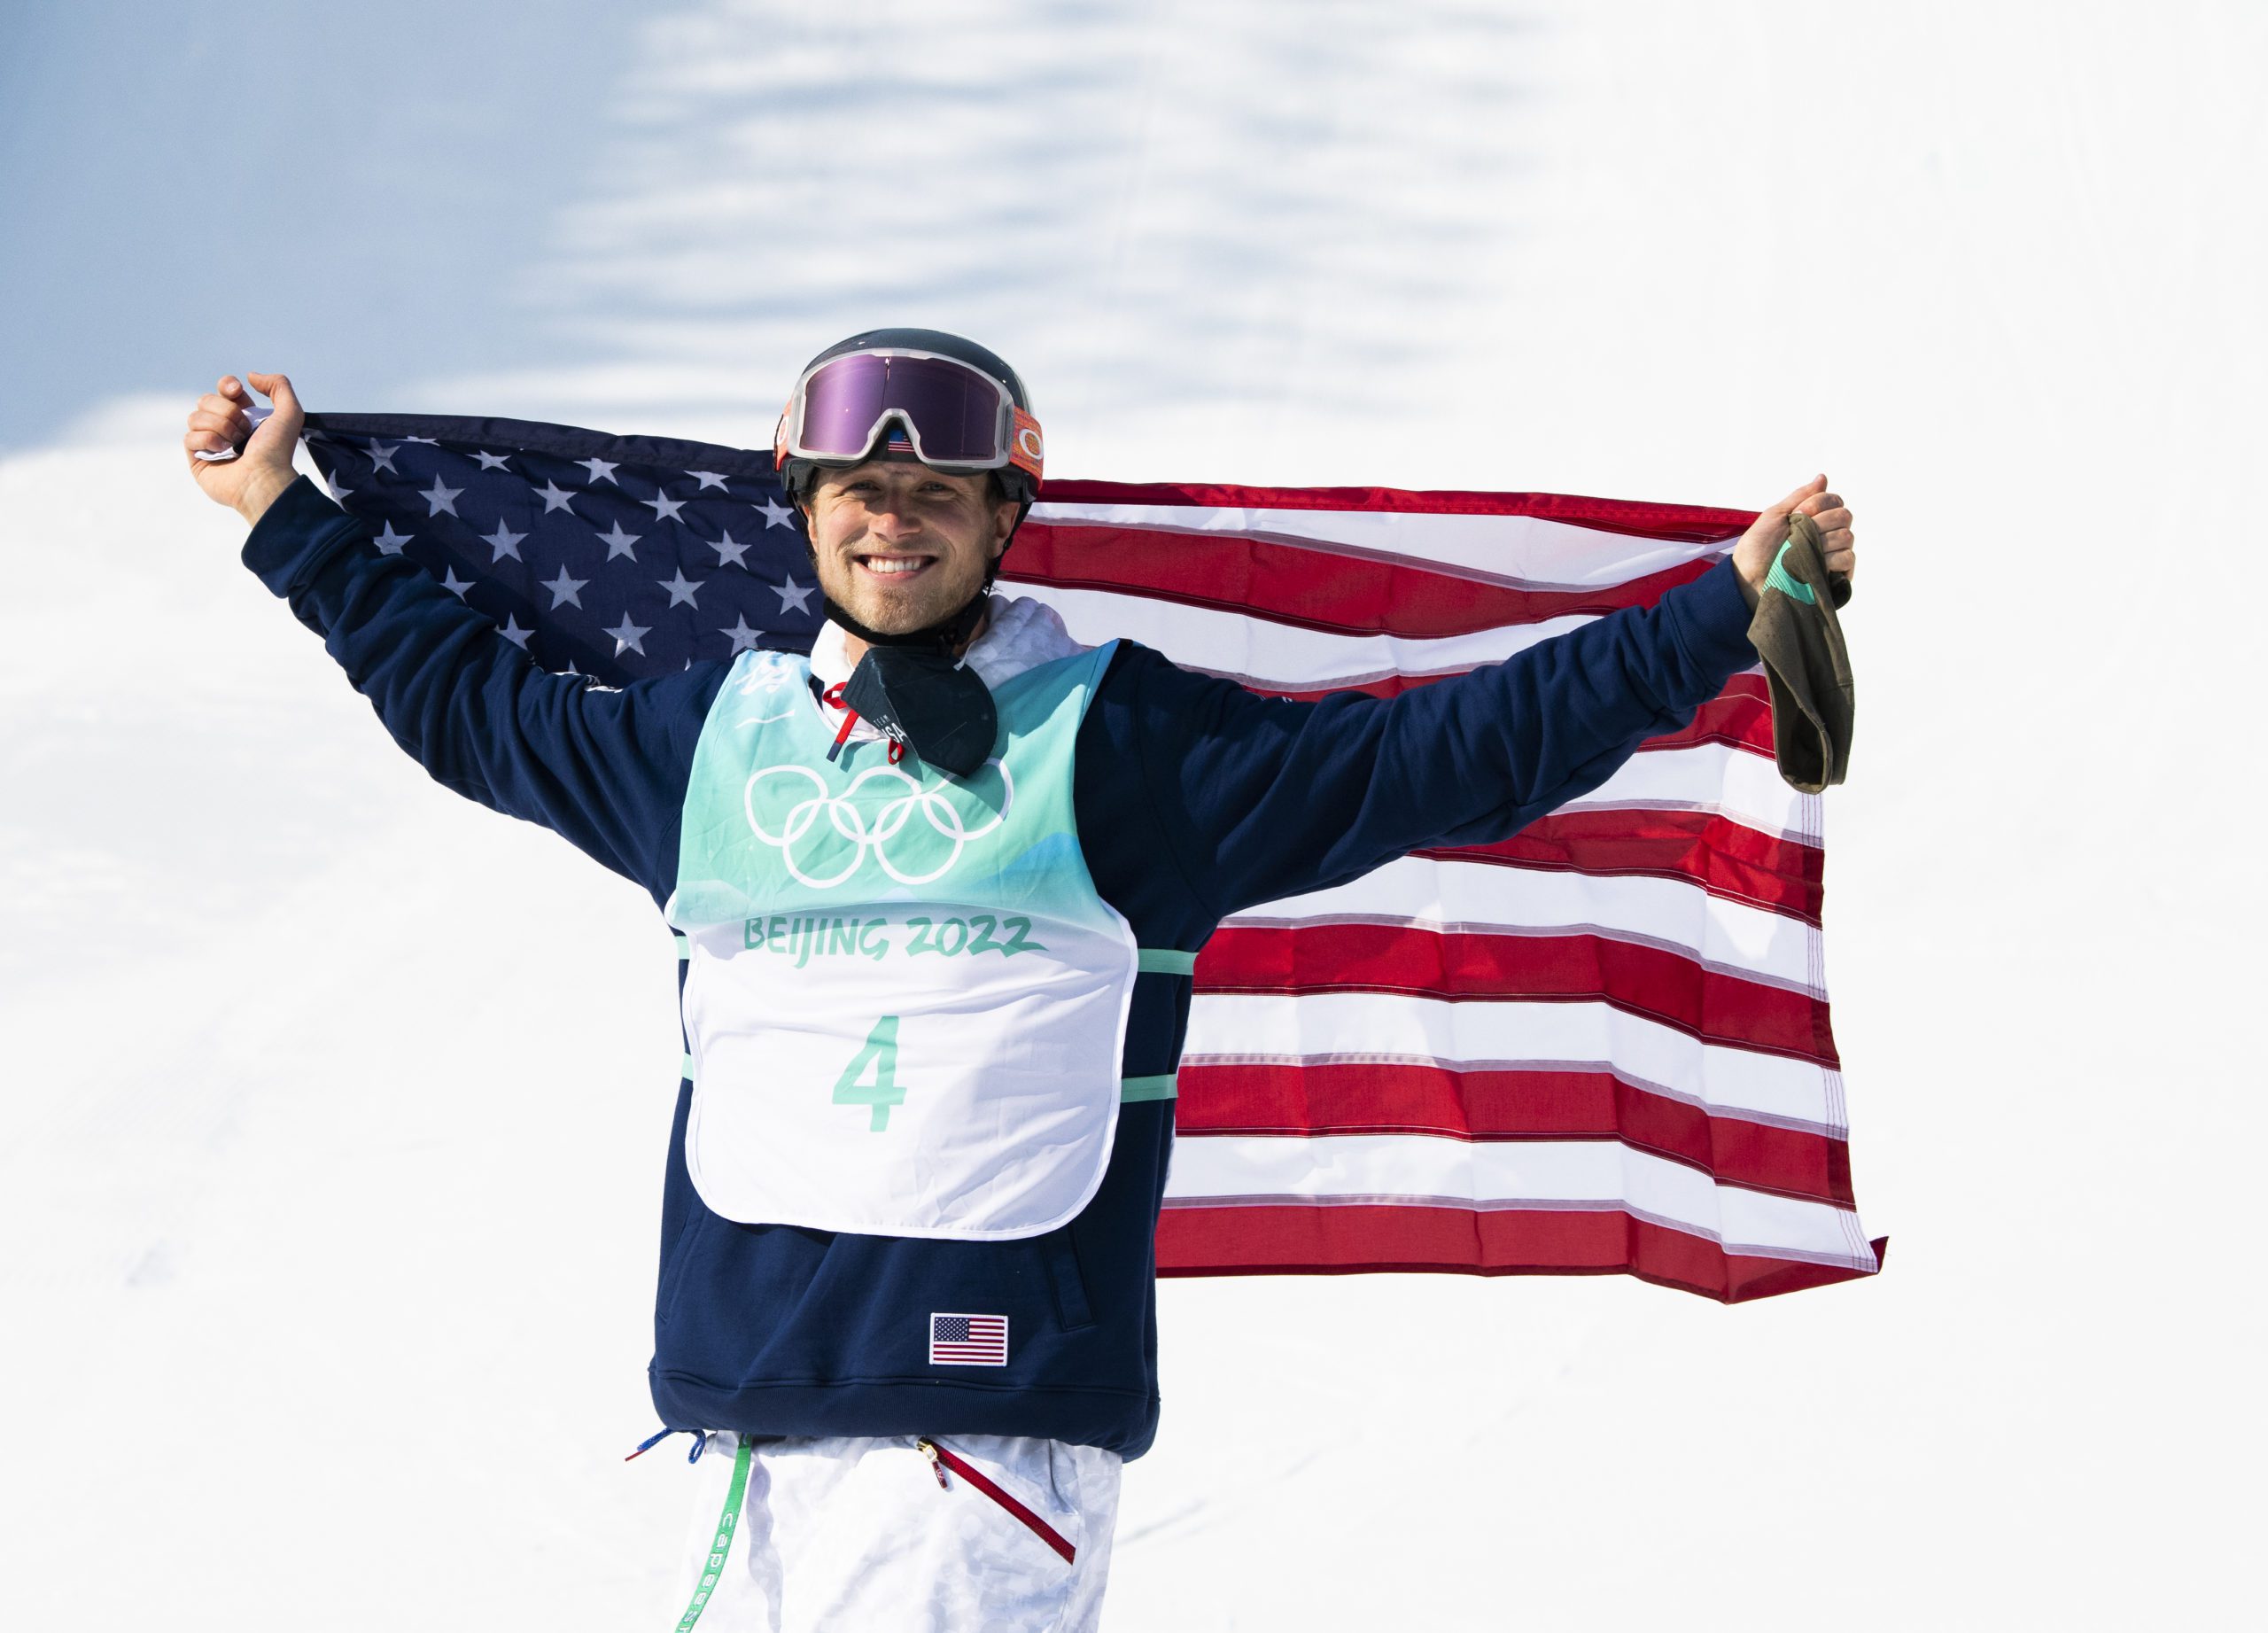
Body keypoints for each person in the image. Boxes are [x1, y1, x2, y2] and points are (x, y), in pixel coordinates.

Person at [183, 331, 1859, 1632]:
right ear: (804, 508)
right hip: (737, 1438)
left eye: (934, 493)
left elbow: (1439, 757)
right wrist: (285, 519)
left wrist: (1711, 613)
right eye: (856, 488)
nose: (890, 517)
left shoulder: (1122, 744)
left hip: (977, 1448)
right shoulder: (708, 742)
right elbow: (471, 709)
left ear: (1002, 516)